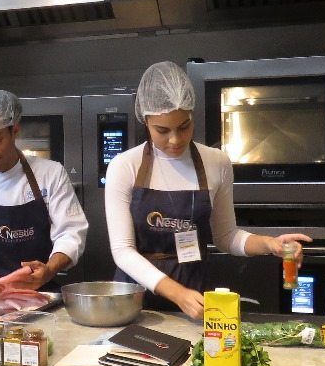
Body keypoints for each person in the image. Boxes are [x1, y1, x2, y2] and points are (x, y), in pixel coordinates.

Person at [105, 62, 310, 320]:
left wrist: (269, 244)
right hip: (134, 302)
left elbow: (226, 236)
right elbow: (123, 251)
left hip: (194, 296)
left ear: (192, 115)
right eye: (162, 130)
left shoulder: (216, 162)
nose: (175, 140)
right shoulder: (125, 166)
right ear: (146, 121)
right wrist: (177, 293)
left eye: (184, 126)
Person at [0, 89, 88, 294]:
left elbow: (71, 233)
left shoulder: (51, 173)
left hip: (43, 293)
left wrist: (49, 270)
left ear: (15, 130)